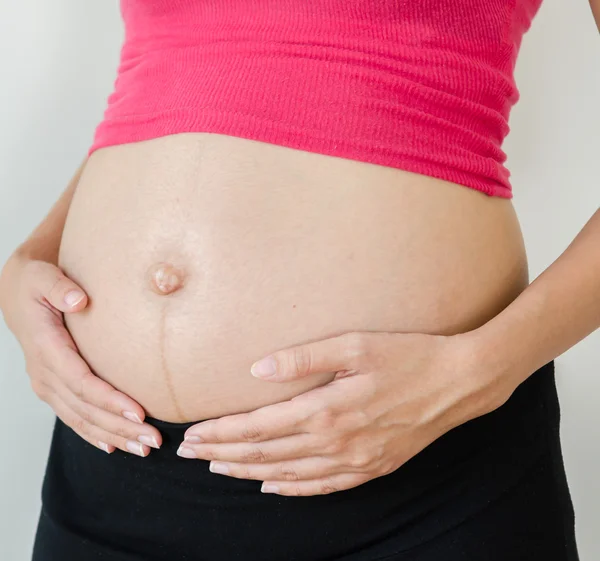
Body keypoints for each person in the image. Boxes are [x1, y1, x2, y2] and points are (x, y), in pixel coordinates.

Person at [0, 0, 597, 559]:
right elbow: (172, 75)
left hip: (414, 470)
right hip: (112, 463)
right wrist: (31, 256)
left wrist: (477, 375)